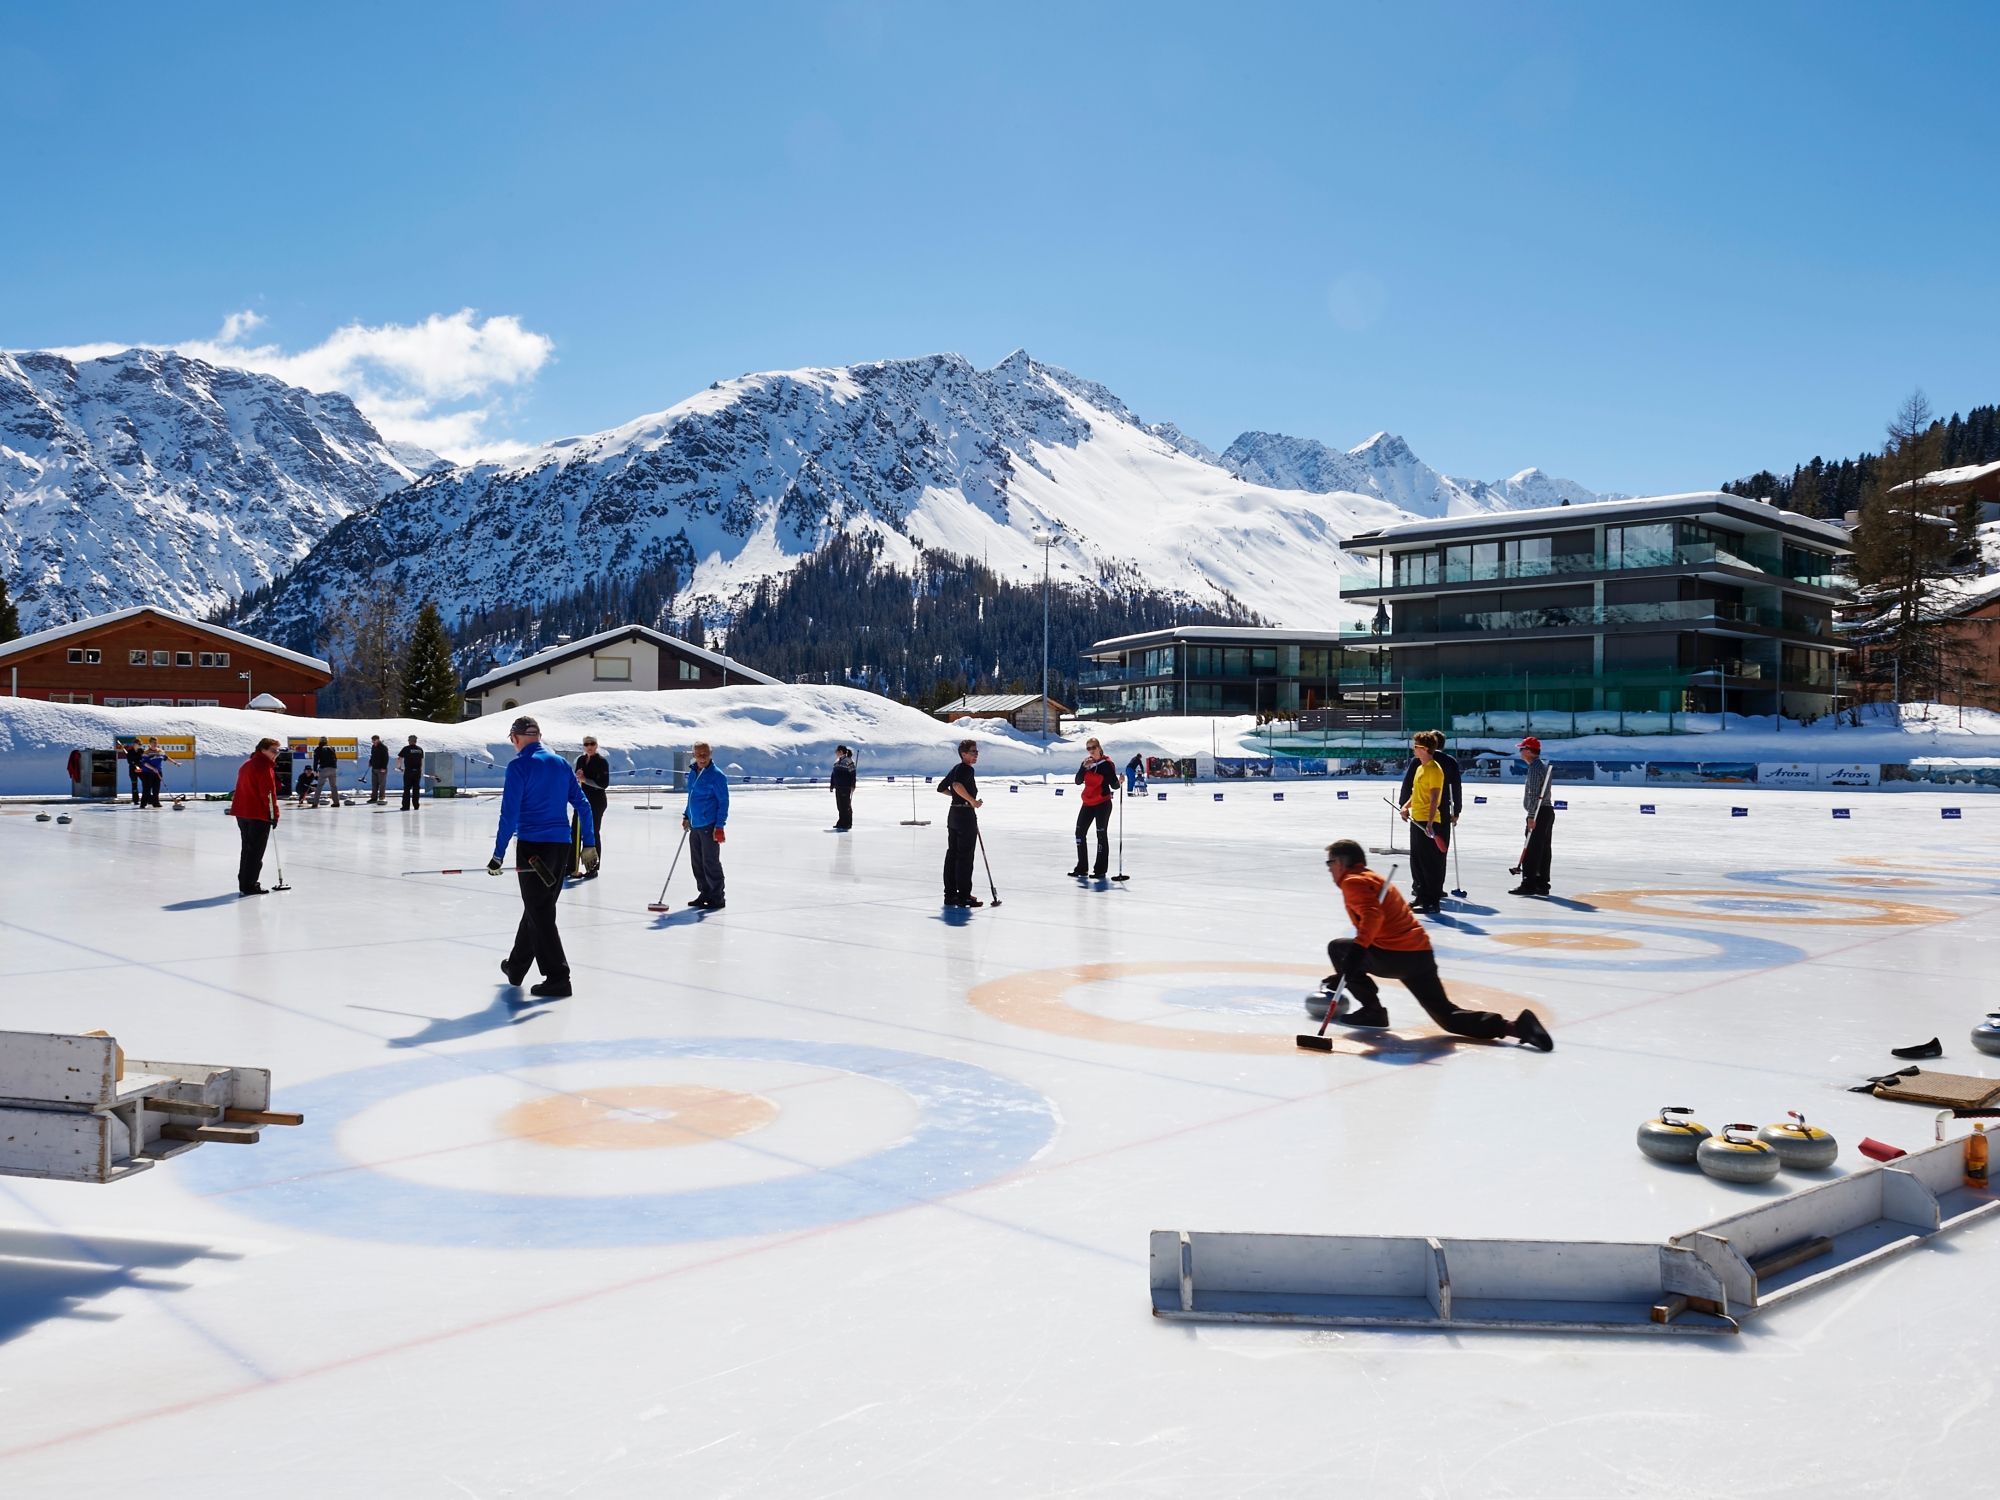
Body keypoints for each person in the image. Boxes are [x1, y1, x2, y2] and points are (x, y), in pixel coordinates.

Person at [1321, 839, 1551, 1050]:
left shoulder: (1353, 882)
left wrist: (1355, 955)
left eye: (1330, 862)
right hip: (1419, 954)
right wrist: (1346, 972)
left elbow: (1372, 917)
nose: (1329, 868)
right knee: (1447, 1017)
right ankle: (1515, 1027)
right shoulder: (1373, 878)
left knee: (1339, 948)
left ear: (1342, 862)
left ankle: (1373, 1011)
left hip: (1395, 955)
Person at [490, 715, 597, 999]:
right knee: (537, 907)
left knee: (540, 911)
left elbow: (509, 815)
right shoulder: (561, 764)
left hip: (533, 849)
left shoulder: (519, 766)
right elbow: (583, 805)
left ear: (516, 738)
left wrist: (498, 854)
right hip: (561, 847)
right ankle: (515, 967)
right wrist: (589, 843)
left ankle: (558, 977)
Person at [1396, 733, 1450, 913]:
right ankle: (1421, 895)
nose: (1414, 749)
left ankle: (1432, 901)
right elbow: (1416, 793)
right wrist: (1405, 806)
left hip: (1429, 821)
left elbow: (1435, 797)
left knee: (1429, 863)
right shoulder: (1420, 767)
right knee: (1417, 860)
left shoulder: (1434, 769)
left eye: (1416, 746)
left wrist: (1429, 822)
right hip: (1416, 818)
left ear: (1425, 749)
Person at [229, 738, 283, 895]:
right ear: (263, 750)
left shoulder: (247, 764)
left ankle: (245, 882)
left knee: (247, 849)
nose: (276, 755)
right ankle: (250, 884)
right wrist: (274, 815)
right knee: (255, 852)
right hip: (257, 814)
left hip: (243, 812)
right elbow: (269, 794)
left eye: (277, 751)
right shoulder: (264, 766)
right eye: (273, 751)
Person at [682, 741, 729, 910]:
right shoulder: (693, 772)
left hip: (709, 825)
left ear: (711, 754)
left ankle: (717, 897)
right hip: (695, 825)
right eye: (698, 754)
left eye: (705, 754)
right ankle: (705, 893)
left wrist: (720, 826)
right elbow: (691, 797)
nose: (702, 757)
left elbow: (723, 802)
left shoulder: (717, 776)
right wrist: (686, 815)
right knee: (697, 862)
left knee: (710, 862)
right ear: (693, 754)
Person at [937, 739, 983, 907]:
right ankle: (963, 895)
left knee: (952, 854)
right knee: (965, 856)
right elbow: (956, 785)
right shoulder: (966, 769)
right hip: (964, 815)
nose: (976, 754)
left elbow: (942, 788)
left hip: (953, 814)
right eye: (973, 752)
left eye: (977, 751)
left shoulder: (955, 768)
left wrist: (958, 798)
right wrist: (972, 801)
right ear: (963, 754)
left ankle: (950, 894)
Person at [1070, 736, 1119, 878]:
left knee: (1101, 835)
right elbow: (1078, 781)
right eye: (1088, 748)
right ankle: (1082, 867)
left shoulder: (1107, 764)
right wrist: (1084, 768)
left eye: (1093, 747)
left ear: (1099, 748)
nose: (1090, 751)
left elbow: (1114, 785)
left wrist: (1120, 781)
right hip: (1088, 803)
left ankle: (1100, 870)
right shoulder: (1086, 763)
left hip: (1103, 803)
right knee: (1079, 833)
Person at [1512, 736, 1555, 896]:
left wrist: (1531, 815)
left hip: (1538, 812)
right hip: (1546, 811)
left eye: (1522, 749)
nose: (1520, 752)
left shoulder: (1536, 768)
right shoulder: (1541, 766)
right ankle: (1542, 883)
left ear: (1529, 751)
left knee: (1532, 849)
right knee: (1543, 849)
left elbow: (1535, 793)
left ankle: (1528, 883)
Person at [573, 736, 611, 877]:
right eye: (586, 744)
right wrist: (578, 777)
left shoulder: (601, 762)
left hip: (596, 802)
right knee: (575, 832)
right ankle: (571, 865)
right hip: (582, 801)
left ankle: (592, 867)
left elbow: (603, 784)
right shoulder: (581, 760)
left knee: (592, 832)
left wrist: (585, 780)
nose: (589, 746)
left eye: (592, 744)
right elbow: (577, 777)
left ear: (596, 745)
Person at [830, 745, 857, 831]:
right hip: (838, 786)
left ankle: (847, 823)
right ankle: (841, 822)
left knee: (846, 805)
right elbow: (833, 774)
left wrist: (853, 784)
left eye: (837, 751)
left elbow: (853, 773)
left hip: (845, 786)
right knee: (840, 806)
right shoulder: (837, 762)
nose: (836, 753)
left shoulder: (849, 761)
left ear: (841, 751)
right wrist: (832, 784)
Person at [312, 736, 343, 808]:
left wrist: (315, 770)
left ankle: (315, 803)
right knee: (333, 786)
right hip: (333, 768)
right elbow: (335, 758)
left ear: (319, 741)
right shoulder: (331, 748)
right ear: (326, 741)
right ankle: (336, 802)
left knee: (319, 786)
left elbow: (315, 760)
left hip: (324, 769)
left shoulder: (318, 749)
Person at [397, 735, 425, 811]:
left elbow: (399, 758)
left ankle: (406, 806)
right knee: (416, 789)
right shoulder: (420, 749)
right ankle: (416, 805)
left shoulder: (406, 749)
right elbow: (421, 761)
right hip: (417, 771)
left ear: (409, 740)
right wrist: (421, 770)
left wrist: (399, 767)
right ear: (416, 741)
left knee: (407, 789)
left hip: (408, 771)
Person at [138, 739, 165, 808]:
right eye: (153, 743)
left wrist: (175, 762)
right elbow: (144, 763)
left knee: (156, 789)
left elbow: (166, 757)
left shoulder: (160, 751)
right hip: (147, 773)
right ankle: (143, 804)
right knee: (146, 789)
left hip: (157, 773)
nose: (154, 744)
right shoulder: (146, 752)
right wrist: (153, 768)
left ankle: (156, 803)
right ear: (150, 743)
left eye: (156, 742)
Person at [367, 734, 390, 804]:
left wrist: (384, 767)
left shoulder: (383, 747)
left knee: (382, 784)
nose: (373, 742)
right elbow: (372, 756)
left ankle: (381, 797)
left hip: (381, 769)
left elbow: (386, 758)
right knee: (374, 784)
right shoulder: (373, 747)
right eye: (372, 740)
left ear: (378, 740)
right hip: (374, 768)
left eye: (374, 740)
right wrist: (370, 762)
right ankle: (373, 798)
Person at [124, 739, 144, 804]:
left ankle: (146, 798)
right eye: (139, 744)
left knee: (145, 783)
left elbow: (143, 759)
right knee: (134, 784)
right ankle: (135, 800)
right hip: (133, 770)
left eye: (140, 744)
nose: (140, 745)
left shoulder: (141, 751)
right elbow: (129, 761)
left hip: (140, 769)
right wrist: (135, 764)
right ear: (135, 744)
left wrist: (140, 764)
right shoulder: (130, 751)